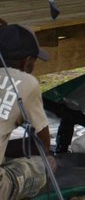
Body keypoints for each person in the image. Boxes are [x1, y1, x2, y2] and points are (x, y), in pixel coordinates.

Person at [0, 24, 56, 199]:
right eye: (34, 62)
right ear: (26, 61)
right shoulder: (26, 82)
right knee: (47, 163)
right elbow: (42, 144)